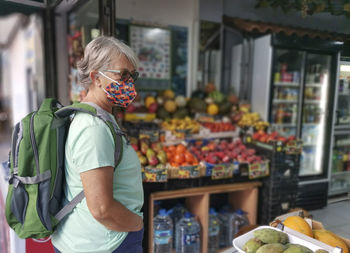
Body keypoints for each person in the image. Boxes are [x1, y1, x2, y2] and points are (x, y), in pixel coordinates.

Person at [51, 36, 144, 253]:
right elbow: (102, 209)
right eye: (123, 75)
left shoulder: (93, 116)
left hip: (94, 239)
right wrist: (136, 224)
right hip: (103, 243)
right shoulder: (93, 128)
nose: (129, 82)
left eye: (132, 75)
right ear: (96, 78)